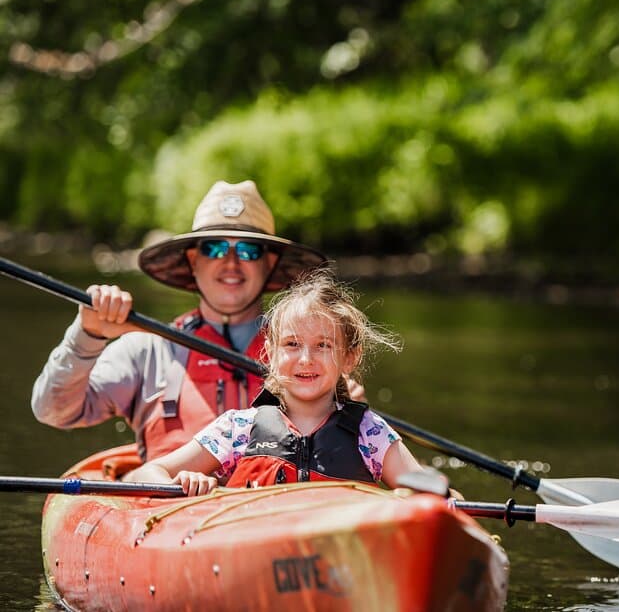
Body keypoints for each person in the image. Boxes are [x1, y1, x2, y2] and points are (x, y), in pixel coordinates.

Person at [30, 180, 362, 463]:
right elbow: (53, 411)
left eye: (248, 251)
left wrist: (347, 415)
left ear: (269, 263)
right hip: (170, 519)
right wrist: (87, 335)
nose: (231, 263)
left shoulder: (307, 356)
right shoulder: (147, 349)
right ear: (193, 260)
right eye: (215, 248)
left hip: (272, 512)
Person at [130, 269, 423, 495]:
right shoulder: (238, 429)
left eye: (323, 345)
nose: (306, 359)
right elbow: (146, 474)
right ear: (270, 354)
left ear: (349, 357)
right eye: (292, 344)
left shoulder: (369, 433)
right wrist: (184, 482)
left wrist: (433, 498)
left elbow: (437, 495)